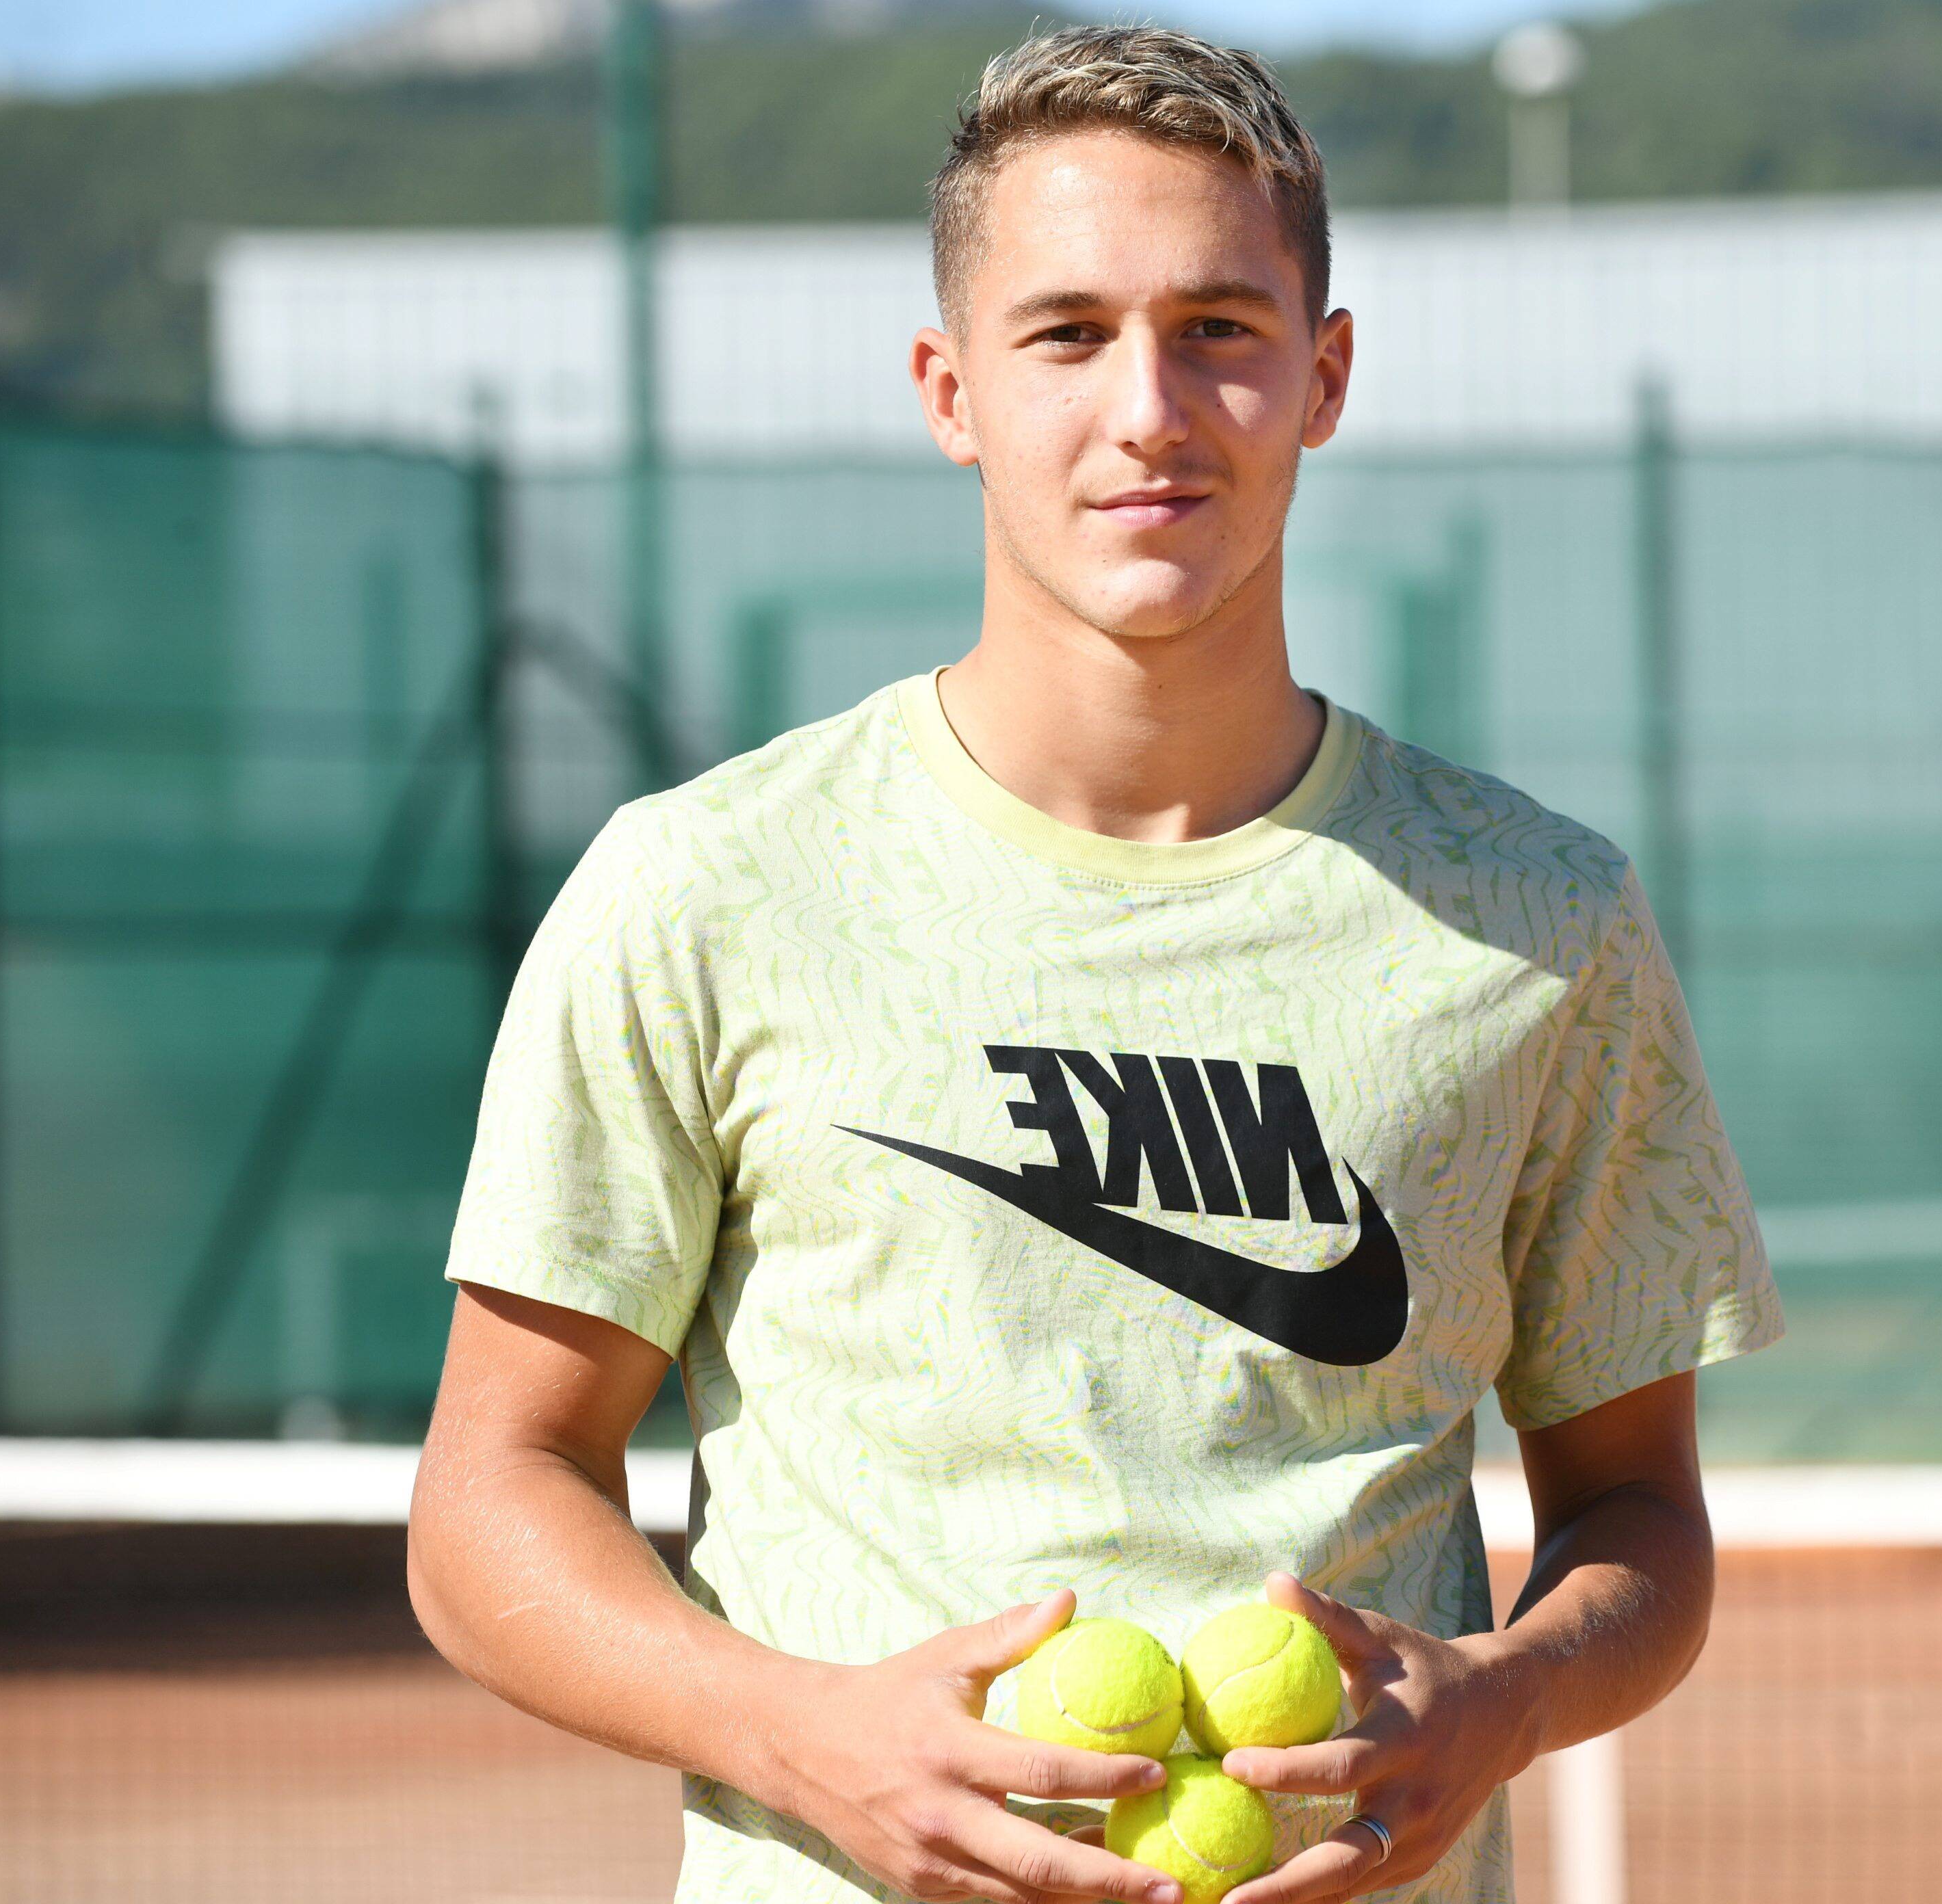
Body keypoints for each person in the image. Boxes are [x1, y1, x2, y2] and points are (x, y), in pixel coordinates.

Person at [406, 24, 1783, 1904]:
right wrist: (797, 1735)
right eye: (1065, 333)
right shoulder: (703, 890)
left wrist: (1504, 1695)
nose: (1151, 406)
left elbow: (1641, 1515)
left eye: (1222, 326)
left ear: (1326, 375)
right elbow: (488, 1506)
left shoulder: (1539, 917)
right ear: (951, 390)